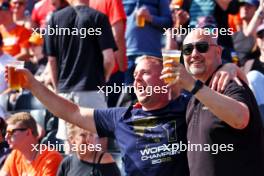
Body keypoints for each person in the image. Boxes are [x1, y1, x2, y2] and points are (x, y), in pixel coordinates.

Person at [6, 53, 247, 175]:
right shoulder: (120, 117)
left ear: (165, 80)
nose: (136, 79)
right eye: (134, 75)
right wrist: (33, 85)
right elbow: (73, 112)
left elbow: (228, 107)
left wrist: (229, 66)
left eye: (144, 73)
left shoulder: (187, 107)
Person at [161, 28, 264, 176]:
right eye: (188, 49)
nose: (194, 54)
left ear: (218, 53)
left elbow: (240, 118)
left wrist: (192, 85)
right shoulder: (195, 97)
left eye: (202, 47)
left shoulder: (229, 83)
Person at [44, 0, 116, 151]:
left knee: (70, 148)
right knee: (97, 150)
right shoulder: (98, 17)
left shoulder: (54, 19)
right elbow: (109, 59)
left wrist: (58, 90)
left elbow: (52, 61)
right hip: (92, 90)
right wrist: (103, 80)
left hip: (65, 92)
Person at [56, 123, 121, 176]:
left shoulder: (105, 161)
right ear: (72, 139)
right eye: (83, 135)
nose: (88, 140)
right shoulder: (67, 163)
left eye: (91, 135)